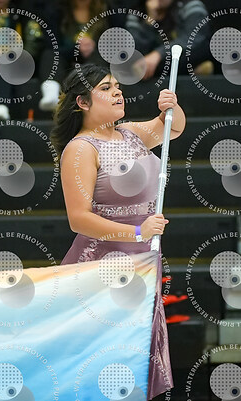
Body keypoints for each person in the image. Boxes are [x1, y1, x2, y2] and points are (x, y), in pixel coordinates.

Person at [51, 64, 186, 399]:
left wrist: (171, 107)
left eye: (117, 87)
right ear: (83, 102)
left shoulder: (130, 133)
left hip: (142, 263)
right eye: (106, 88)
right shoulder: (81, 149)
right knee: (103, 365)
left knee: (132, 364)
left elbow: (172, 128)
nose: (117, 93)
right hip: (101, 269)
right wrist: (138, 231)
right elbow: (78, 219)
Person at [127, 0, 212, 78]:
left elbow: (194, 39)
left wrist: (158, 54)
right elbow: (135, 49)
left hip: (182, 64)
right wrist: (150, 21)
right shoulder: (138, 12)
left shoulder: (190, 6)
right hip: (147, 72)